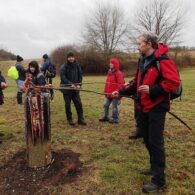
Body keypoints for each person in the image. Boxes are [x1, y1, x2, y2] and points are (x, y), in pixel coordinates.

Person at [112, 32, 180, 193]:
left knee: (156, 143)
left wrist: (152, 90)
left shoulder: (163, 60)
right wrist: (120, 91)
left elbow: (173, 82)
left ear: (149, 44)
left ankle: (159, 180)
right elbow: (137, 83)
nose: (138, 46)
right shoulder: (142, 60)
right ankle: (154, 167)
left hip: (157, 107)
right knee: (147, 139)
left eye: (140, 43)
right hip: (143, 107)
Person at [60, 51, 86, 126]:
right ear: (67, 58)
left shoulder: (77, 65)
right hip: (67, 89)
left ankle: (80, 119)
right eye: (69, 57)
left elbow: (80, 75)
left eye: (72, 57)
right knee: (68, 105)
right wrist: (70, 84)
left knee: (79, 104)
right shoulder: (64, 67)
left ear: (74, 58)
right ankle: (69, 119)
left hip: (75, 89)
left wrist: (79, 84)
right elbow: (63, 77)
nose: (71, 58)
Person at [99, 58, 125, 124]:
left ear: (115, 64)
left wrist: (116, 91)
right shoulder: (109, 72)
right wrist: (105, 91)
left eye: (112, 63)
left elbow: (121, 84)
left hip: (115, 94)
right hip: (108, 93)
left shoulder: (119, 73)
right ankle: (105, 117)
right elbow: (107, 83)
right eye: (110, 63)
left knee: (115, 106)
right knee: (105, 104)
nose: (110, 64)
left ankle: (115, 119)